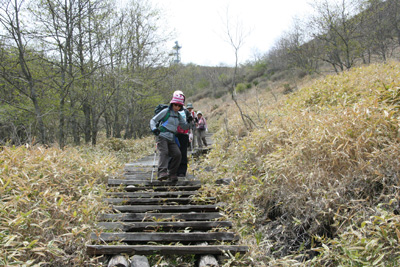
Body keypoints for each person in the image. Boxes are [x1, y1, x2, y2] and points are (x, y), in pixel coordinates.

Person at [150, 94, 192, 182]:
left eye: (179, 105)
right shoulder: (166, 111)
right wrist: (154, 129)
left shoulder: (178, 115)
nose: (177, 107)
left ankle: (172, 173)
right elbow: (153, 120)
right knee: (164, 152)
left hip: (172, 137)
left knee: (178, 154)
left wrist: (189, 121)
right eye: (175, 105)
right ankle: (162, 172)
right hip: (162, 135)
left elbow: (184, 127)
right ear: (172, 104)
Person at [171, 91, 193, 178]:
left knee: (183, 153)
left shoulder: (186, 111)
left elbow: (189, 124)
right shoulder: (170, 109)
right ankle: (173, 170)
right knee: (173, 153)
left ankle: (182, 171)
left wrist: (190, 133)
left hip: (184, 135)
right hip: (173, 134)